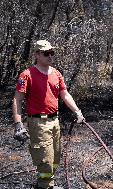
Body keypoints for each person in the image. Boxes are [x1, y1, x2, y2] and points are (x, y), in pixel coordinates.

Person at [12, 40, 85, 189]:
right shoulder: (27, 75)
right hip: (38, 123)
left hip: (55, 121)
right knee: (44, 158)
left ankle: (46, 184)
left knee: (55, 156)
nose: (50, 56)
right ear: (37, 55)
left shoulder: (56, 74)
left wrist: (78, 112)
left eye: (52, 53)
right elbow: (17, 99)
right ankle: (45, 186)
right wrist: (18, 124)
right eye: (46, 53)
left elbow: (65, 95)